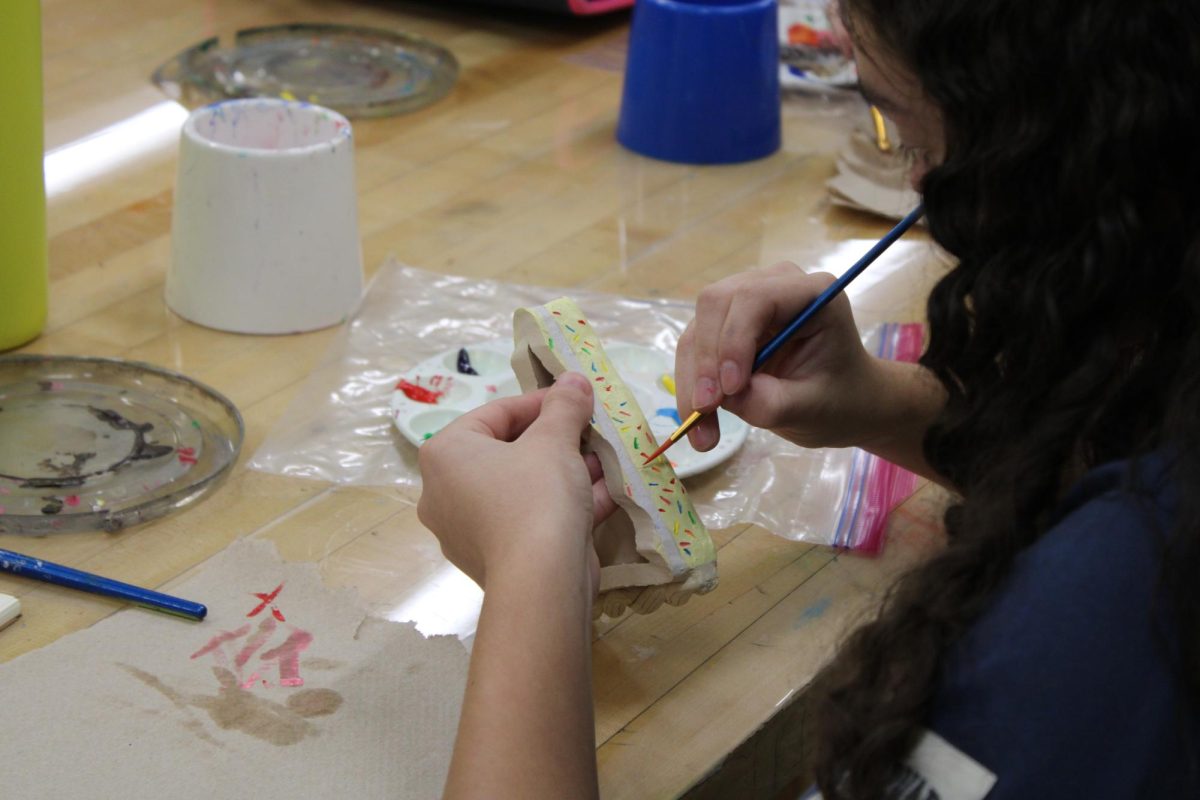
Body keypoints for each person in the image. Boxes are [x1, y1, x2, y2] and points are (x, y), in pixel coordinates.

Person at [416, 0, 1200, 796]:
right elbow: (1118, 455)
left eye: (911, 133)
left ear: (1058, 146)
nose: (918, 187)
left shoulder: (1110, 622)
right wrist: (887, 408)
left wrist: (531, 573)